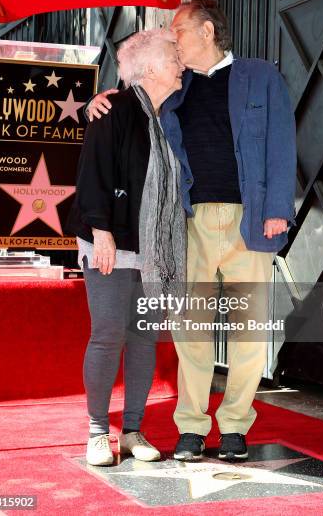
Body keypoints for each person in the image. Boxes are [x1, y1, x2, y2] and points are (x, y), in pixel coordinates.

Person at [87, 0, 296, 462]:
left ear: (206, 32)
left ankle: (237, 425)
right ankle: (192, 427)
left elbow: (283, 142)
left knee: (248, 328)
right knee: (190, 327)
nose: (170, 37)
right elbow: (135, 107)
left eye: (177, 30)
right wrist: (100, 99)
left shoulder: (260, 76)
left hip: (251, 218)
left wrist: (279, 209)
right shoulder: (175, 88)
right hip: (189, 222)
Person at [67, 29, 186, 466]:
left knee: (144, 339)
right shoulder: (112, 109)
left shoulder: (163, 117)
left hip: (152, 250)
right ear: (150, 68)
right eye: (173, 55)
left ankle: (133, 430)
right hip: (110, 244)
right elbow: (93, 171)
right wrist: (101, 232)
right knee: (108, 334)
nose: (181, 62)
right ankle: (99, 431)